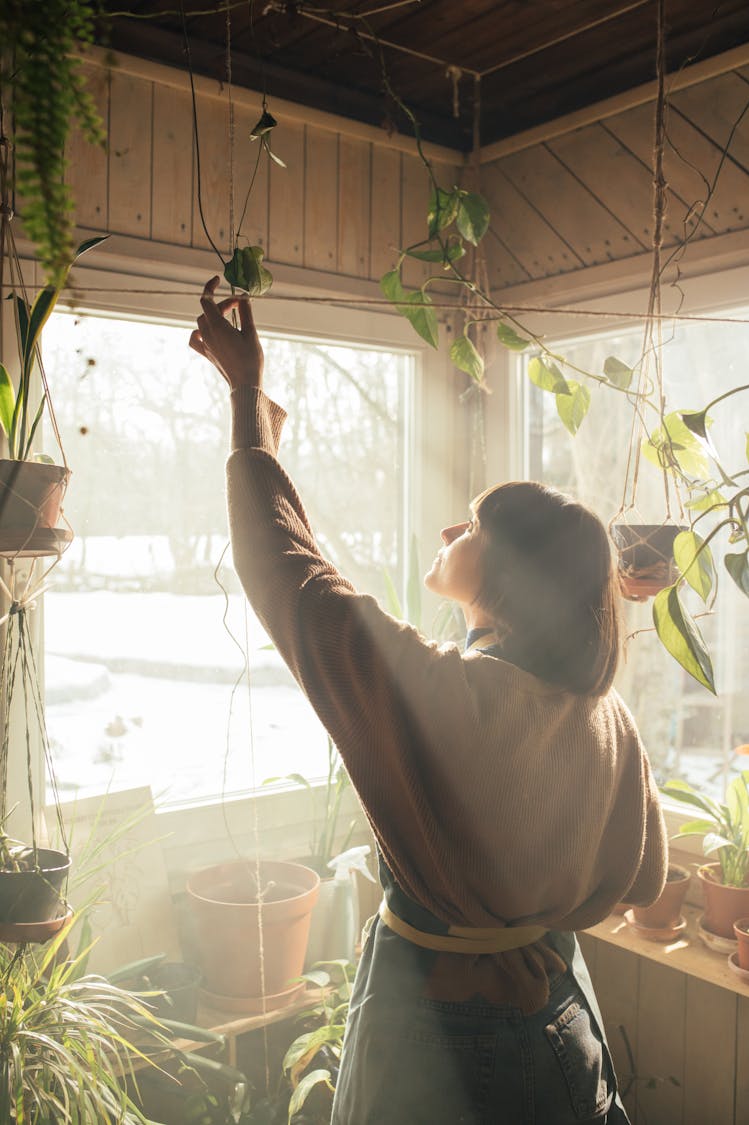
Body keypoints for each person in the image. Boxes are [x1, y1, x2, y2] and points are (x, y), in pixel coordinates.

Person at [191, 276, 667, 1125]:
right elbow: (648, 874)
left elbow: (292, 578)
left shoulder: (454, 695)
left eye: (476, 525)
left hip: (447, 1035)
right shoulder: (606, 717)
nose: (452, 530)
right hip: (561, 1003)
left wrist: (243, 405)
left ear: (512, 577)